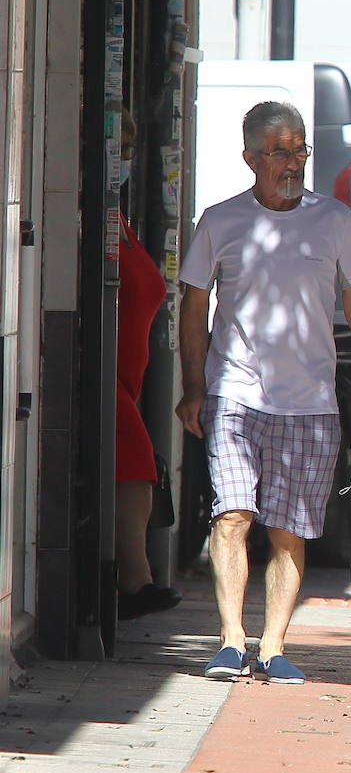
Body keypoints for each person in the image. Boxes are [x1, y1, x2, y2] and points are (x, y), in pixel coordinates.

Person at [176, 101, 351, 684]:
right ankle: (231, 640)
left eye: (300, 150)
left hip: (309, 402)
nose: (293, 162)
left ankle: (273, 646)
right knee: (232, 514)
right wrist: (194, 387)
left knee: (288, 529)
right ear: (250, 158)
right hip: (234, 392)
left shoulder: (331, 222)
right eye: (280, 151)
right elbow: (195, 306)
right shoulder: (220, 222)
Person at [115, 109, 183, 620]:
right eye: (120, 147)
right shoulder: (91, 213)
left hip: (125, 377)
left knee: (135, 465)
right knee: (137, 462)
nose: (126, 160)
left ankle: (133, 578)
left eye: (131, 150)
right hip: (104, 376)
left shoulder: (116, 217)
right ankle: (134, 581)